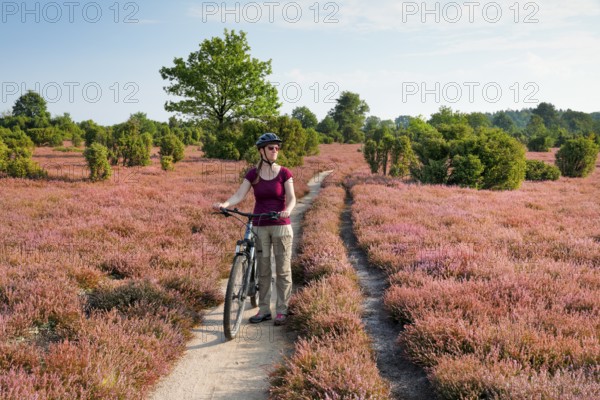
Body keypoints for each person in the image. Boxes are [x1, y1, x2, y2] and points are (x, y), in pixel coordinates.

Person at [213, 133, 296, 326]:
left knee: (283, 271)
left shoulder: (285, 173)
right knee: (264, 271)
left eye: (277, 147)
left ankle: (282, 310)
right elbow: (239, 194)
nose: (275, 150)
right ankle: (264, 309)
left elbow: (292, 198)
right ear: (261, 151)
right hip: (259, 225)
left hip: (281, 226)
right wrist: (224, 204)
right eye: (270, 148)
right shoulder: (253, 174)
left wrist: (287, 210)